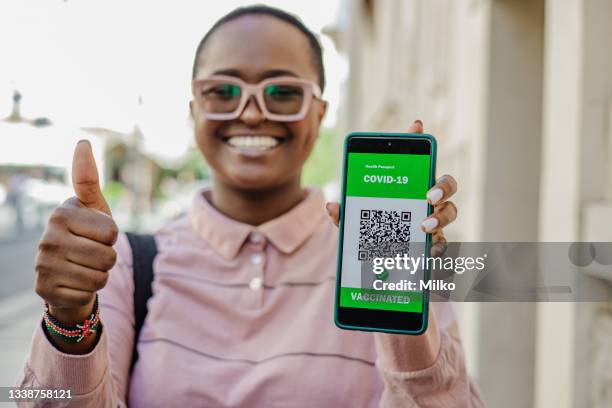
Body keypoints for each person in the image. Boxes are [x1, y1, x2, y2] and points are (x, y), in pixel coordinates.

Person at [17, 5, 483, 407]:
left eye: (283, 92)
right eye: (223, 91)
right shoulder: (120, 265)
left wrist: (396, 299)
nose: (253, 112)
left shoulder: (387, 258)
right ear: (194, 110)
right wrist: (67, 323)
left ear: (319, 113)